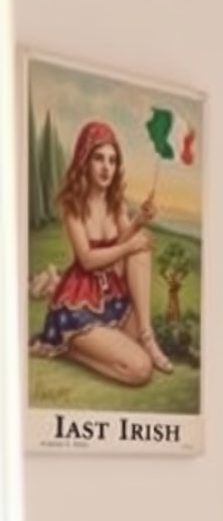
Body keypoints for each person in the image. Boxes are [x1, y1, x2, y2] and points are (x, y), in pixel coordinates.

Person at [30, 120, 173, 382]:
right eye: (99, 158)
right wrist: (129, 244)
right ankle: (71, 347)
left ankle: (146, 334)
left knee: (140, 245)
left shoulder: (115, 203)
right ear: (85, 160)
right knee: (140, 370)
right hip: (80, 302)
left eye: (112, 160)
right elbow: (87, 260)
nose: (107, 167)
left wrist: (138, 221)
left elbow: (123, 242)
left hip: (112, 297)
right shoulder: (73, 205)